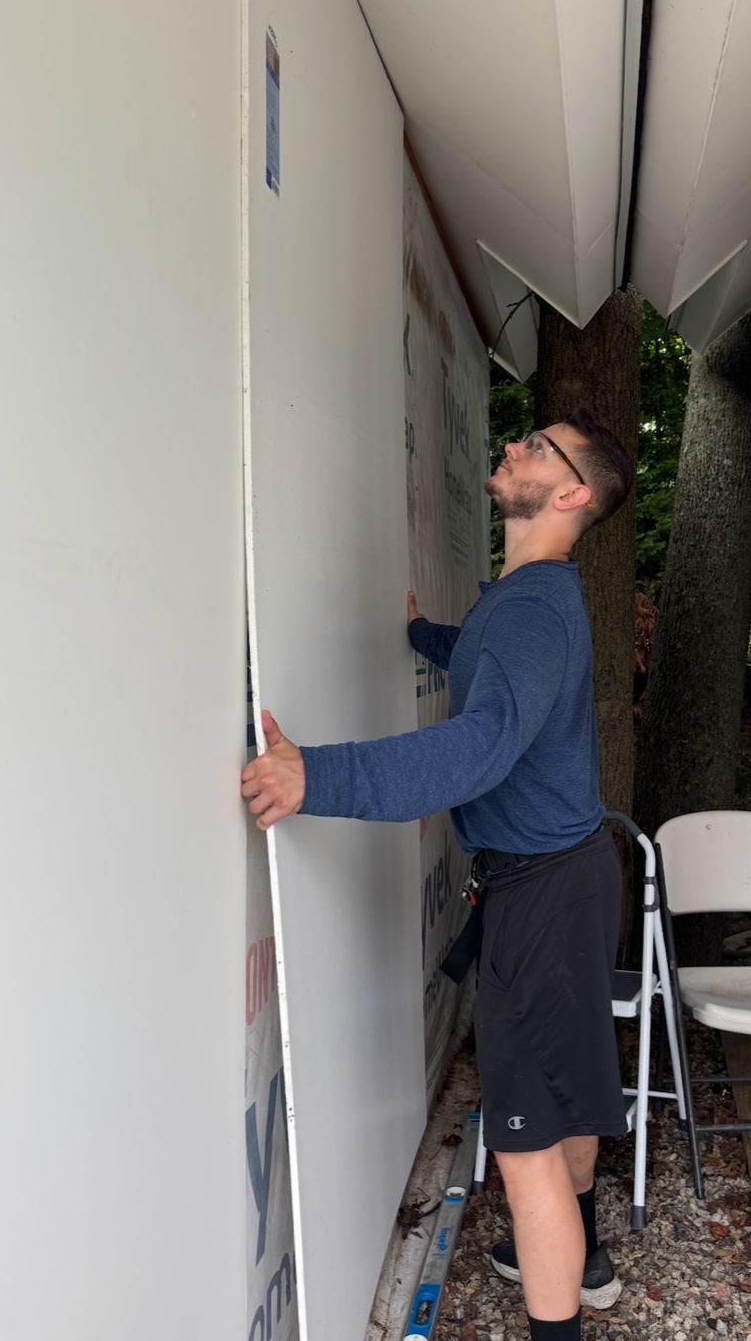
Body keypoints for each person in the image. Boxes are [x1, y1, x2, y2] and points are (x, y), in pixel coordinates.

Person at [241, 409, 635, 1340]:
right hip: (567, 879)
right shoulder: (527, 600)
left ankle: (560, 1313)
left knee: (524, 1147)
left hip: (541, 893)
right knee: (569, 1086)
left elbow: (477, 752)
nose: (512, 448)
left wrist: (316, 777)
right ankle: (586, 1250)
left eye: (537, 447)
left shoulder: (536, 608)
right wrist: (428, 639)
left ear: (574, 493)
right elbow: (487, 661)